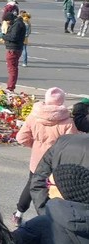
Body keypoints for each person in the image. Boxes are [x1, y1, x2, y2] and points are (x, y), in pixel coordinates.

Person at [11, 86, 75, 227]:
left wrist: (34, 145)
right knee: (53, 188)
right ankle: (49, 218)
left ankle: (18, 213)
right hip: (56, 161)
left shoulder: (35, 116)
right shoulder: (67, 121)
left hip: (37, 160)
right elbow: (72, 143)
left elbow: (21, 137)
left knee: (31, 185)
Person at [2, 11, 26, 92]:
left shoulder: (17, 25)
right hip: (15, 48)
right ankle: (11, 86)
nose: (7, 23)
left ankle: (10, 87)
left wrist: (4, 36)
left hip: (13, 49)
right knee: (13, 68)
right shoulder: (17, 23)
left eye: (7, 21)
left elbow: (13, 37)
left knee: (12, 69)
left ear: (10, 19)